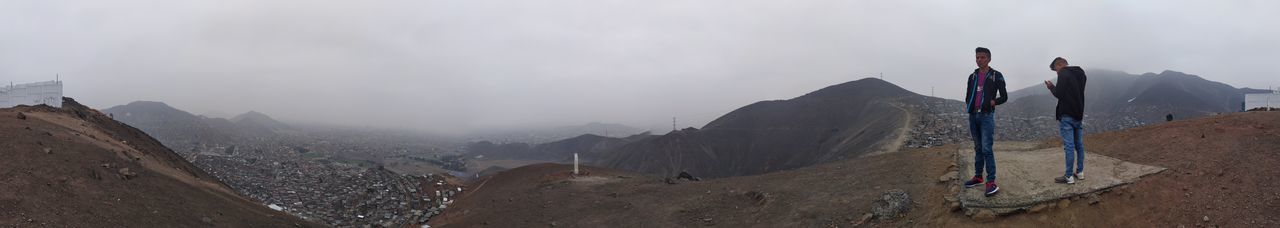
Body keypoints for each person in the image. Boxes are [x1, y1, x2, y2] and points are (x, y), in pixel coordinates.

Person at [962, 47, 1008, 197]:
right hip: (973, 115)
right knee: (978, 147)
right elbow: (968, 94)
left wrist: (993, 102)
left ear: (988, 59)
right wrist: (969, 104)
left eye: (982, 57)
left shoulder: (996, 75)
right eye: (977, 57)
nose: (979, 60)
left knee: (987, 148)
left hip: (987, 116)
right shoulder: (972, 76)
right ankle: (978, 176)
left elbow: (1004, 96)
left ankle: (991, 181)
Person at [1045, 57, 1087, 184]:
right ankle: (1080, 172)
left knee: (1069, 146)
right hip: (1078, 113)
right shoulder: (1081, 74)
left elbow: (1059, 94)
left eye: (1055, 69)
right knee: (1079, 145)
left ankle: (1068, 176)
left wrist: (1052, 87)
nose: (1056, 72)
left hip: (1067, 114)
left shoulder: (1063, 73)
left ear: (1059, 65)